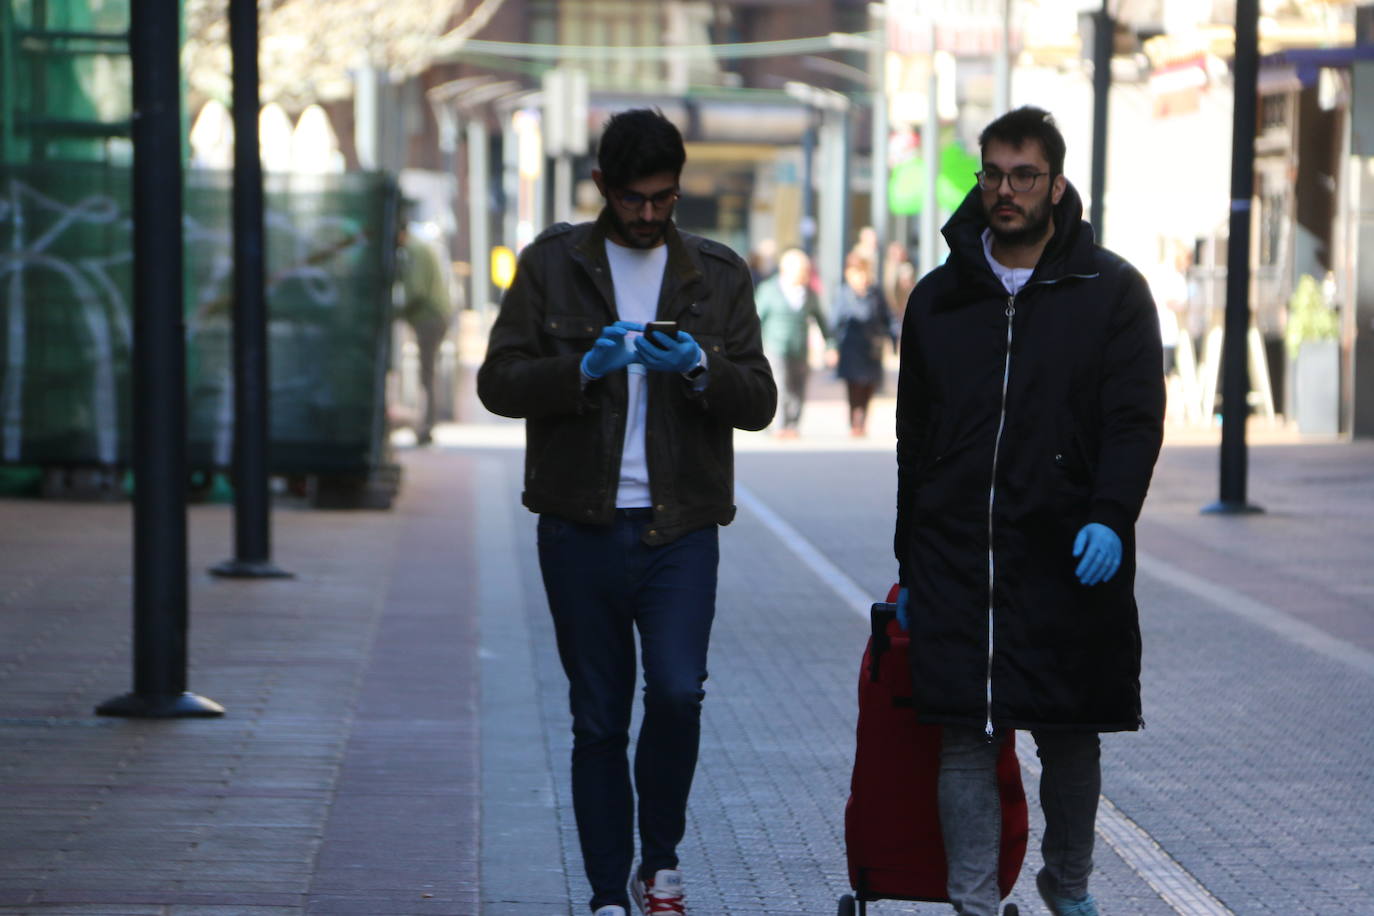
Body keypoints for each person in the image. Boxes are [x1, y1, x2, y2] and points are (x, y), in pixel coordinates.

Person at [476, 108, 776, 916]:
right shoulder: (552, 265)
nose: (650, 214)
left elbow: (761, 402)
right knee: (599, 717)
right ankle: (610, 891)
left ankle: (662, 862)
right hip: (580, 525)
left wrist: (703, 368)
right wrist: (581, 367)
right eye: (636, 199)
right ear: (603, 187)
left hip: (681, 527)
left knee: (678, 693)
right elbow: (496, 382)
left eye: (666, 199)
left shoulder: (716, 274)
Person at [892, 106, 1165, 916]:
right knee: (965, 735)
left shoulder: (1112, 292)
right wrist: (910, 559)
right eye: (993, 174)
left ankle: (1067, 886)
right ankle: (975, 903)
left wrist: (1112, 517)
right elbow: (915, 439)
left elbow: (1133, 419)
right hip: (958, 555)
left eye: (1023, 175)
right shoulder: (938, 300)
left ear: (1057, 183)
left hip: (1066, 546)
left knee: (1070, 733)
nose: (1005, 191)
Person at [755, 247, 828, 437]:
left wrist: (831, 344)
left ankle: (793, 425)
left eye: (806, 271)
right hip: (775, 346)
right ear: (786, 270)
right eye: (801, 271)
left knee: (798, 386)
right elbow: (755, 319)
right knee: (779, 384)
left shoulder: (809, 294)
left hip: (800, 347)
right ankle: (778, 425)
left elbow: (821, 319)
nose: (804, 275)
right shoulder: (769, 290)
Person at [395, 214, 455, 444]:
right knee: (427, 372)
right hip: (432, 315)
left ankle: (426, 425)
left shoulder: (414, 249)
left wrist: (396, 311)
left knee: (427, 373)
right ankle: (425, 424)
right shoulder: (419, 247)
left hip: (429, 317)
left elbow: (416, 290)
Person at [830, 250, 896, 437]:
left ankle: (862, 419)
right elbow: (834, 322)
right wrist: (832, 347)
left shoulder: (876, 293)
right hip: (850, 346)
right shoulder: (843, 294)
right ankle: (855, 421)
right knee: (854, 385)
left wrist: (892, 339)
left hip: (871, 347)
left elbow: (887, 318)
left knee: (868, 385)